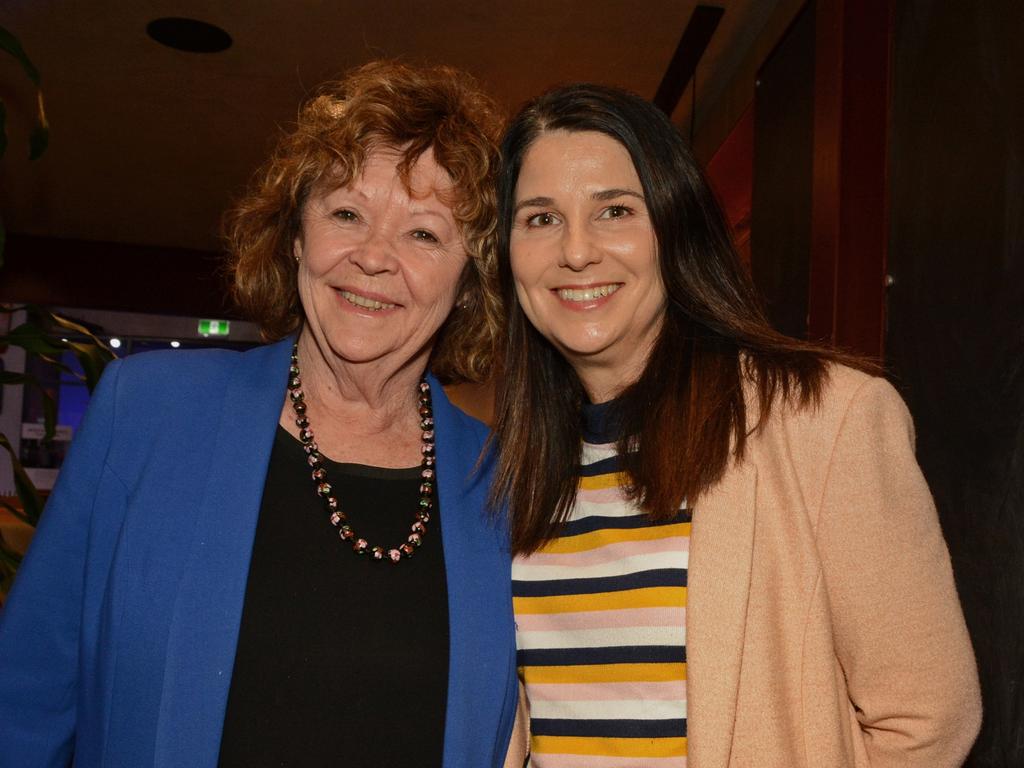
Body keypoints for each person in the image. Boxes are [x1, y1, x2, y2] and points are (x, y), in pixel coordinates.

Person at [0, 61, 519, 767]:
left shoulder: (503, 481)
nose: (373, 257)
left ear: (469, 278)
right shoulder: (147, 412)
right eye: (346, 213)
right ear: (297, 236)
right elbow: (24, 701)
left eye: (423, 234)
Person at [491, 84, 982, 767]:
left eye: (615, 210)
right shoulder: (510, 468)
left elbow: (926, 720)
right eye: (541, 218)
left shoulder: (826, 421)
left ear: (676, 225)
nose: (577, 252)